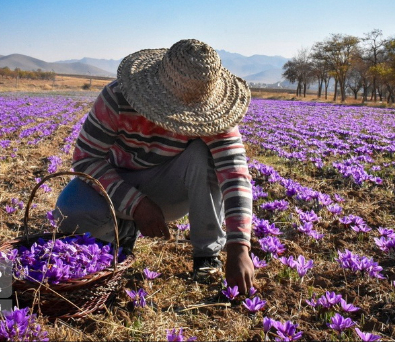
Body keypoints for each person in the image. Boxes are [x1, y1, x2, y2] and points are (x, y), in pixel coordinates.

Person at [54, 39, 254, 293]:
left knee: (205, 154)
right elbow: (86, 159)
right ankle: (121, 231)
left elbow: (235, 176)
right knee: (70, 212)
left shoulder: (216, 113)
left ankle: (206, 255)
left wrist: (239, 247)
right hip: (117, 180)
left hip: (169, 186)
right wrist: (135, 203)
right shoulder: (117, 98)